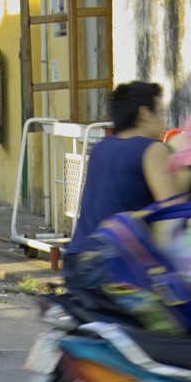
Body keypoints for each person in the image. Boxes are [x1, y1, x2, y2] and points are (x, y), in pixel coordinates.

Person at [65, 81, 191, 290]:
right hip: (115, 266)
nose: (164, 121)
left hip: (76, 261)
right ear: (144, 113)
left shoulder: (101, 148)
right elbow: (172, 210)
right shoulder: (151, 149)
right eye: (160, 112)